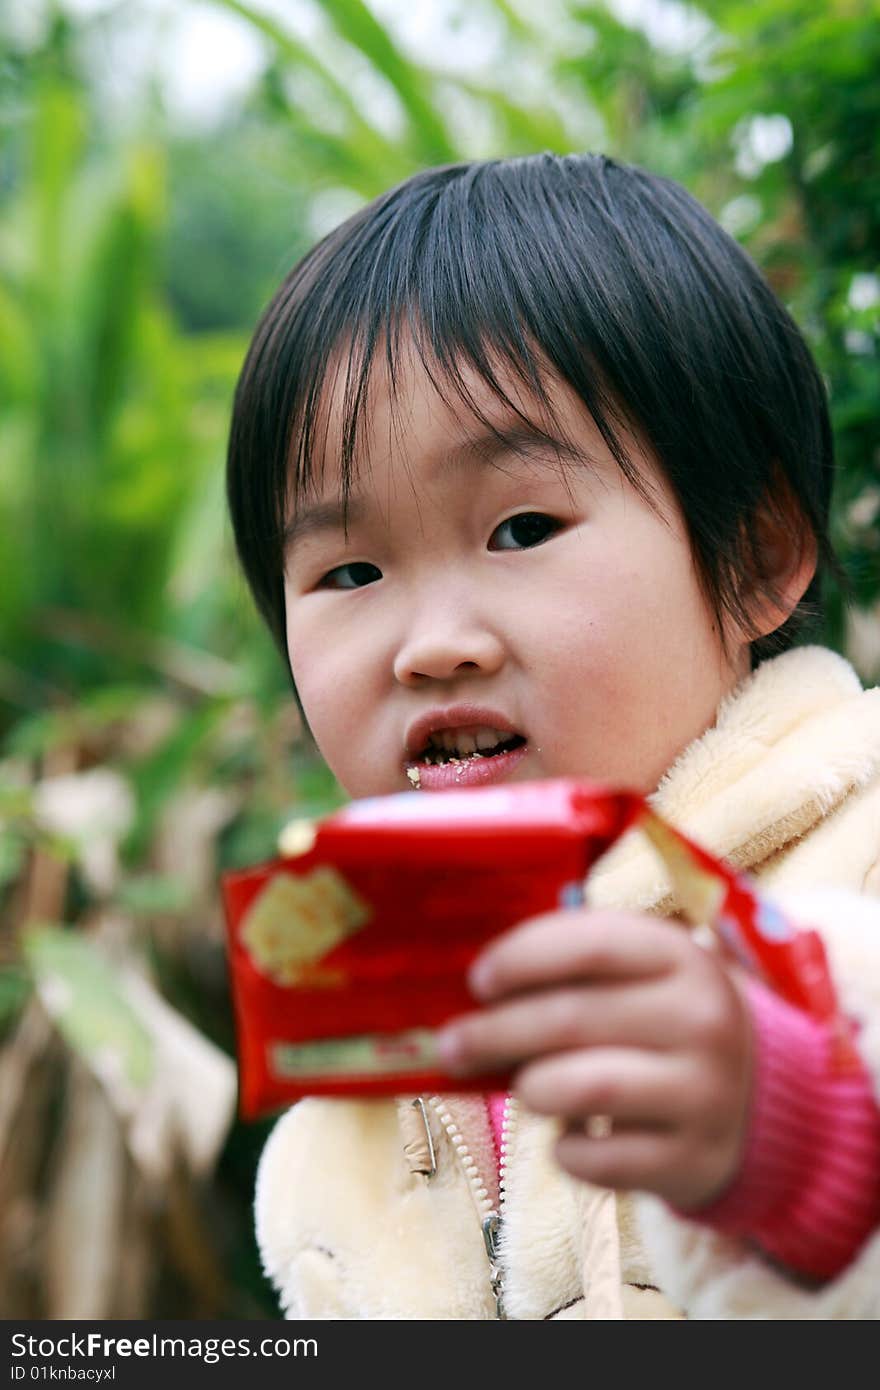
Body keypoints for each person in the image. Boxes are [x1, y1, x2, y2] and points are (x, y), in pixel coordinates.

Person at [226, 153, 880, 1319]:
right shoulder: (341, 1126)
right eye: (349, 569)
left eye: (522, 526)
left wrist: (808, 1155)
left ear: (760, 550)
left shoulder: (859, 872)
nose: (430, 644)